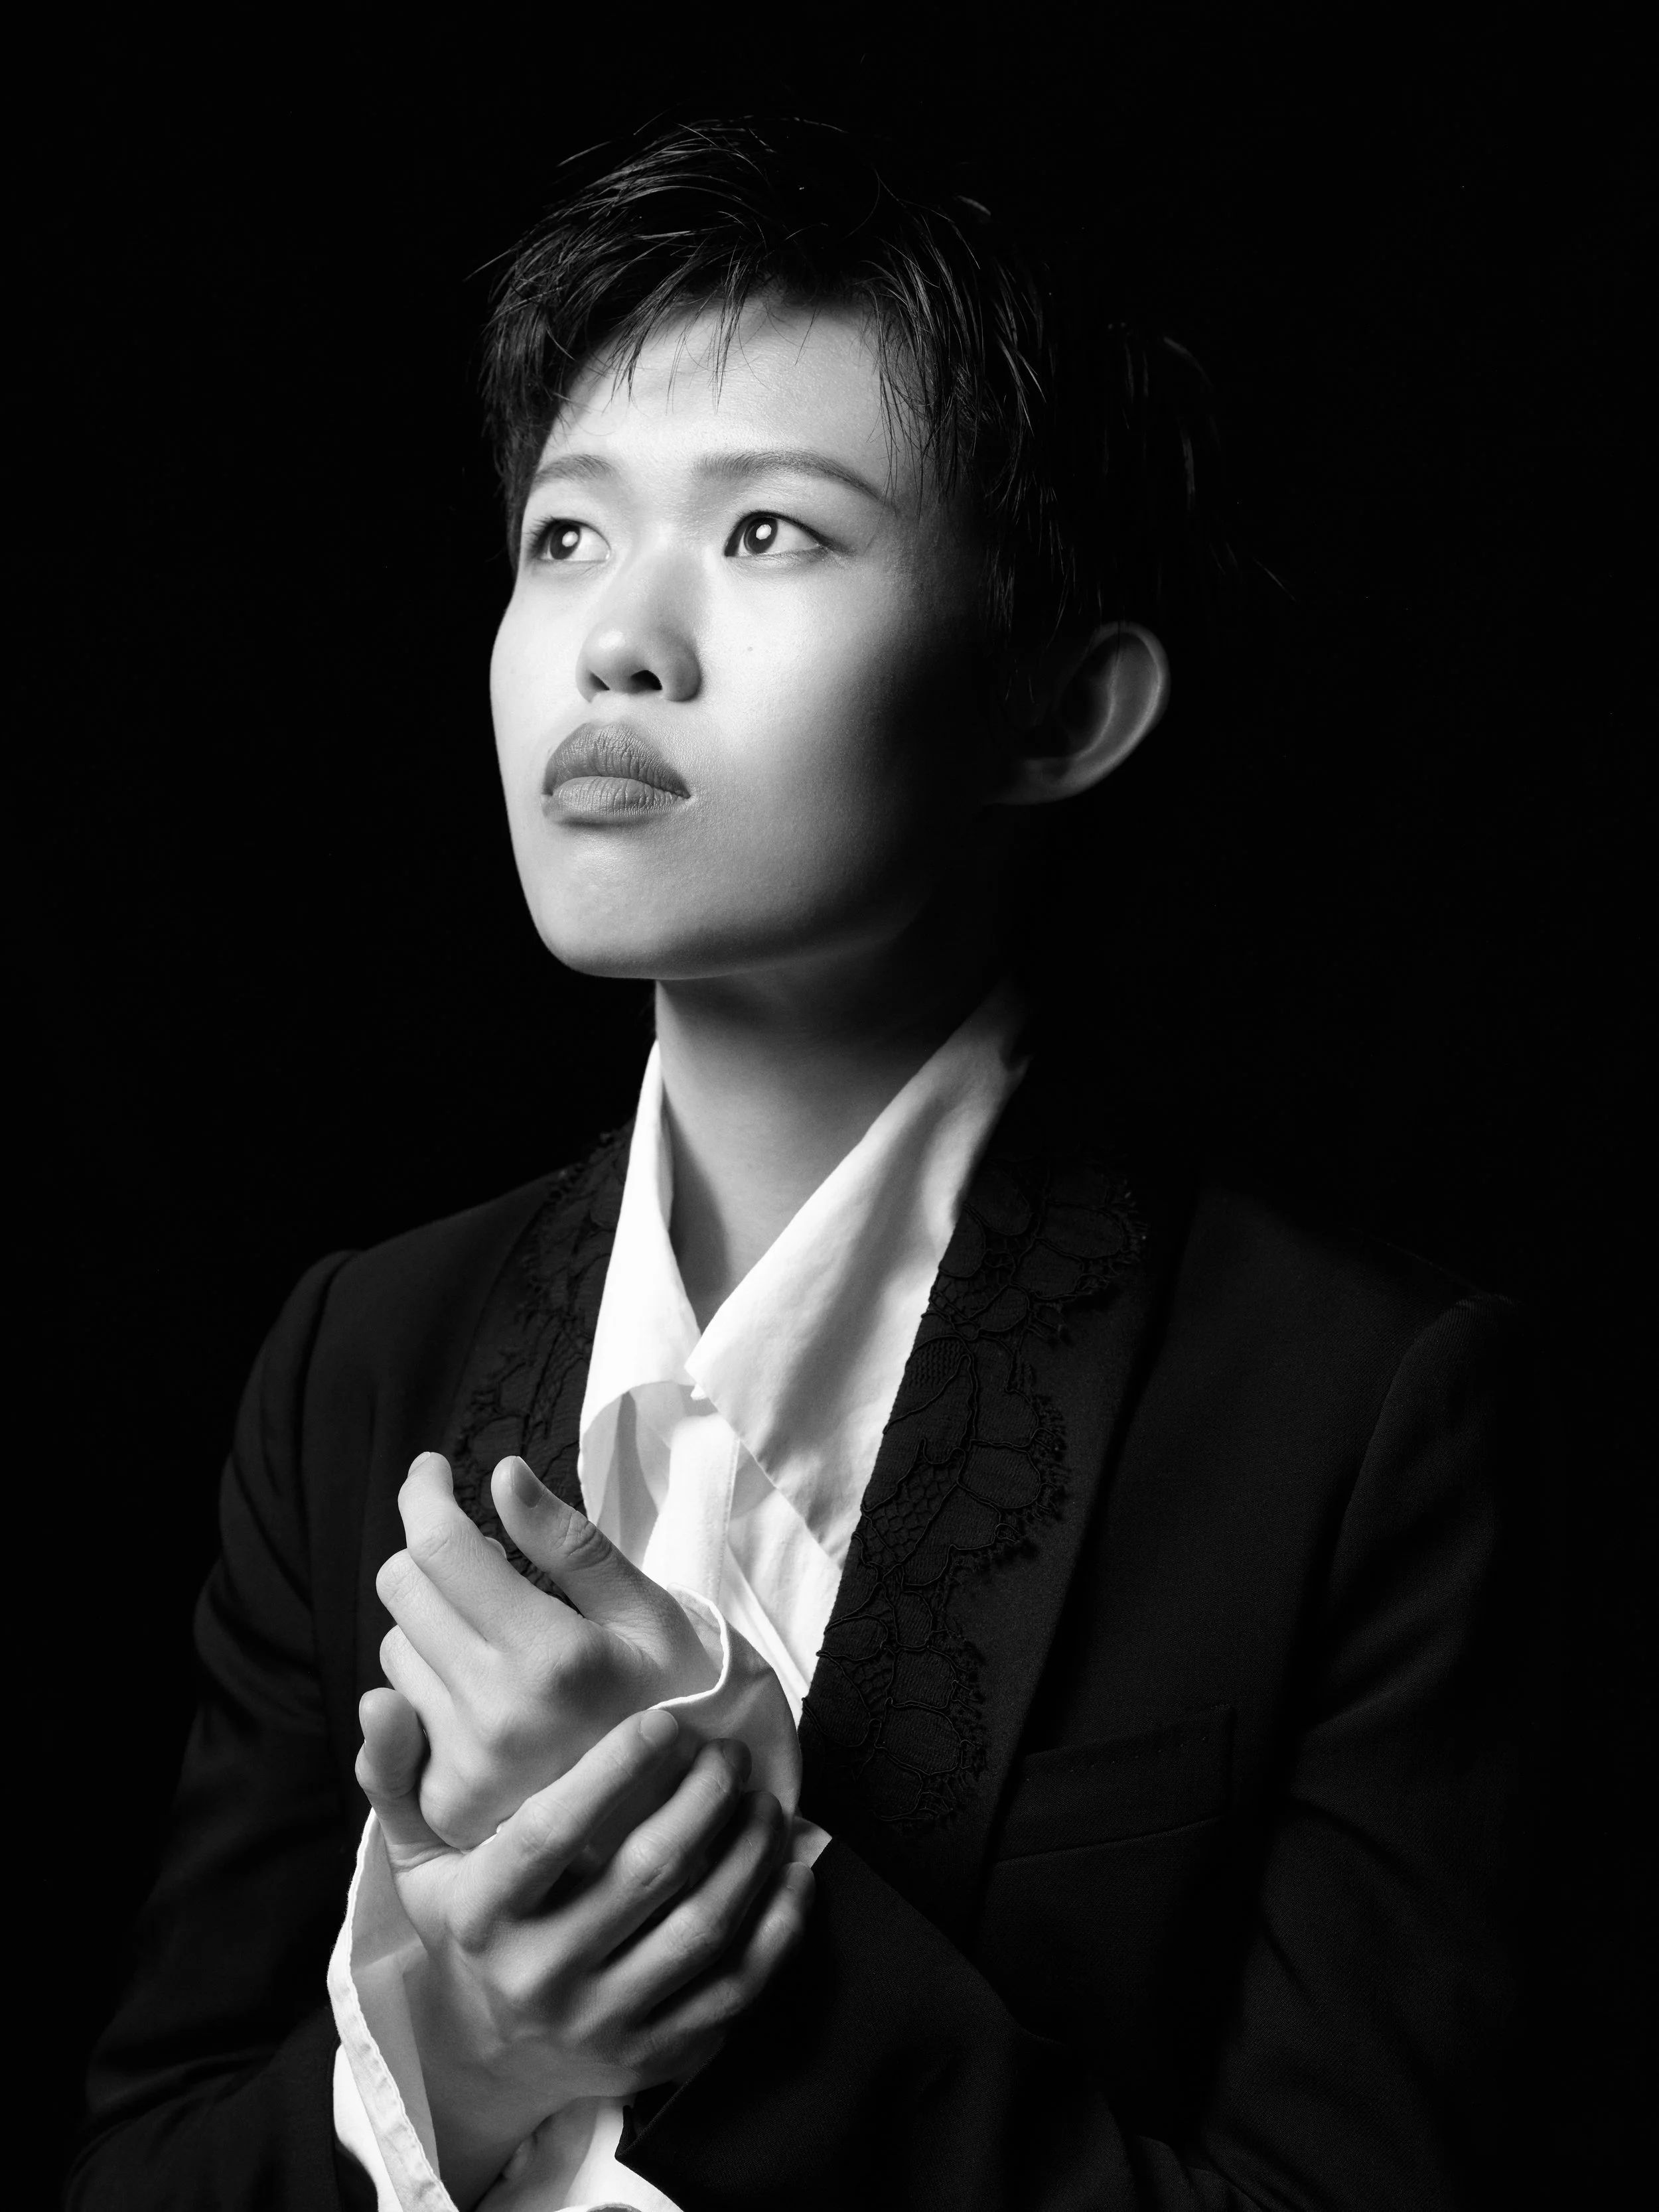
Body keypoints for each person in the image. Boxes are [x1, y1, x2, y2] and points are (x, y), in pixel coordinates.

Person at [70, 116, 1542, 2212]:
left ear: (1060, 707)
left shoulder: (1360, 1412)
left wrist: (707, 1952)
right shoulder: (360, 1353)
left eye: (768, 534)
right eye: (565, 538)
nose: (619, 643)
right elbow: (140, 2165)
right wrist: (458, 2059)